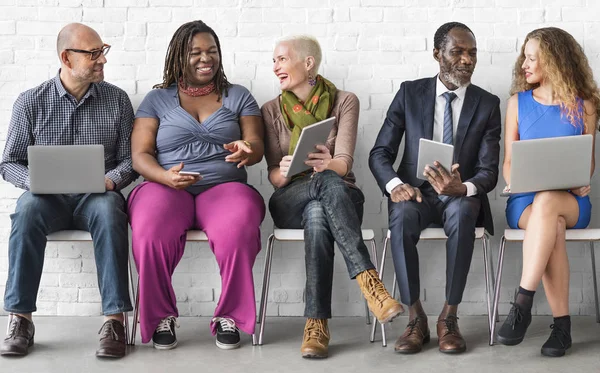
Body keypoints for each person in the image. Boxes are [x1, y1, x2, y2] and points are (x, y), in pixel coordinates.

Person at [262, 34, 403, 359]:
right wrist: (282, 171)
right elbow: (272, 174)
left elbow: (344, 162)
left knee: (317, 211)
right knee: (314, 198)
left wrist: (330, 165)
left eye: (282, 59)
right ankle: (371, 282)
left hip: (341, 193)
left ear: (307, 63)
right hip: (288, 198)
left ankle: (316, 324)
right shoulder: (270, 111)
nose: (275, 67)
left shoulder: (345, 101)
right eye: (273, 61)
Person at [0, 23, 136, 358]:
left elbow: (131, 160)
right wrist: (36, 180)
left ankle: (114, 321)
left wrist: (111, 180)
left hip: (97, 195)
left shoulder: (117, 100)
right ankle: (20, 318)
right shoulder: (30, 101)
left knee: (108, 210)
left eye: (103, 50)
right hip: (48, 200)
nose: (102, 59)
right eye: (93, 54)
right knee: (27, 209)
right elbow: (8, 162)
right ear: (66, 57)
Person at [128, 20, 265, 351]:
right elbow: (139, 155)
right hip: (165, 185)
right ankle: (160, 315)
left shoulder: (239, 95)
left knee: (239, 226)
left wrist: (248, 150)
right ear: (178, 57)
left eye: (212, 51)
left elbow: (257, 145)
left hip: (224, 185)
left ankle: (229, 316)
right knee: (149, 229)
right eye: (196, 52)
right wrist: (164, 176)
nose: (206, 58)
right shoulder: (157, 99)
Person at [369, 22, 502, 354]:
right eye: (457, 52)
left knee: (463, 212)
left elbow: (489, 172)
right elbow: (380, 152)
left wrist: (465, 187)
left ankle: (449, 316)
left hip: (457, 196)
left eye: (472, 53)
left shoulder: (487, 104)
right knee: (400, 216)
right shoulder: (409, 93)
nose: (467, 60)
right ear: (437, 54)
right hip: (415, 192)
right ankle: (415, 317)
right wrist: (395, 185)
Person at [497, 27, 600, 357]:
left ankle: (522, 302)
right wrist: (516, 180)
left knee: (551, 205)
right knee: (548, 218)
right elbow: (509, 162)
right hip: (525, 202)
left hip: (572, 201)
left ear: (554, 61)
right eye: (523, 57)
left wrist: (581, 178)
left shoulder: (584, 106)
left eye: (531, 57)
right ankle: (562, 328)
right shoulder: (517, 103)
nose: (524, 64)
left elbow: (588, 164)